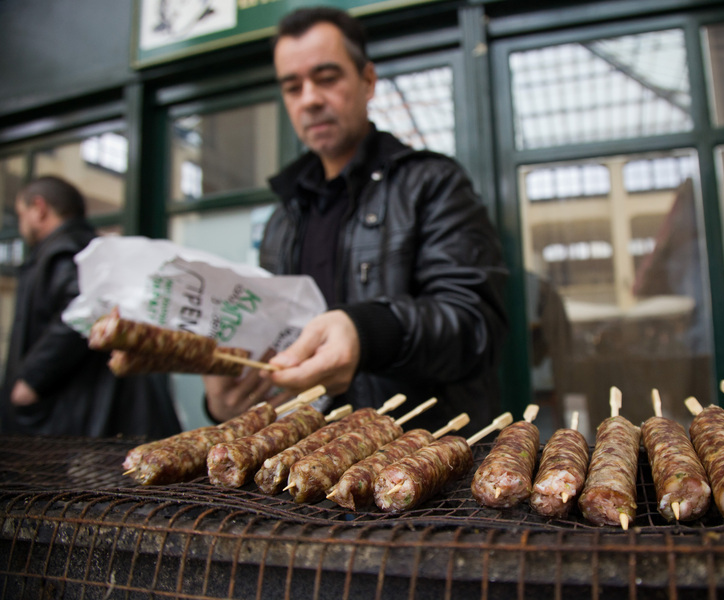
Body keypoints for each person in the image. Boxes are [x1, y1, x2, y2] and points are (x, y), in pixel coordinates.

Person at [203, 7, 508, 433]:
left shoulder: (432, 183)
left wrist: (368, 332)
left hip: (419, 464)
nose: (309, 98)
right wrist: (228, 401)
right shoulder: (283, 218)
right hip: (304, 470)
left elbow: (476, 327)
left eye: (326, 78)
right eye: (292, 87)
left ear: (367, 81)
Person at [0, 176, 181, 438]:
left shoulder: (67, 251)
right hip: (92, 404)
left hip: (80, 407)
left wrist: (32, 378)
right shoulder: (89, 249)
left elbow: (81, 308)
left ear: (39, 209)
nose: (20, 224)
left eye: (21, 213)